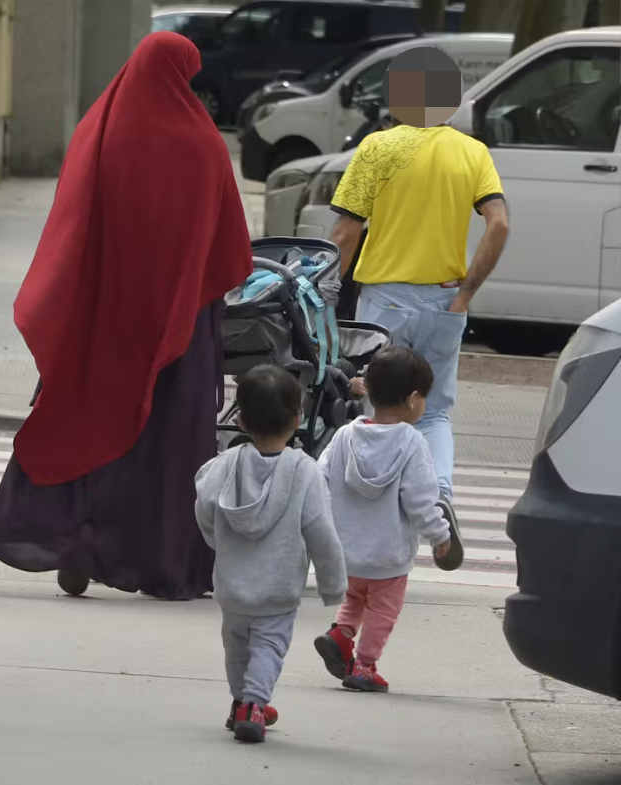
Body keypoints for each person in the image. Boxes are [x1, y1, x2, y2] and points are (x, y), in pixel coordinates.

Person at [0, 31, 253, 600]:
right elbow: (228, 246)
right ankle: (156, 561)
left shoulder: (99, 130)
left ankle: (72, 544)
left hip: (100, 310)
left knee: (84, 415)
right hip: (176, 319)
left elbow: (70, 223)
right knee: (168, 438)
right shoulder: (203, 144)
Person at [327, 47, 511, 522]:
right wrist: (466, 294)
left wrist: (327, 298)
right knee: (431, 412)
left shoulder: (376, 148)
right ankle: (440, 496)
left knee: (367, 399)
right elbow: (499, 224)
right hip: (444, 301)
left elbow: (346, 233)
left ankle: (367, 503)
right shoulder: (473, 153)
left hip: (383, 302)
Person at [195, 365, 348, 743]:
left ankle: (241, 701)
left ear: (242, 420)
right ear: (297, 419)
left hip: (232, 585)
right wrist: (333, 586)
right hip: (278, 588)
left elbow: (204, 507)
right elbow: (322, 534)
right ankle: (254, 703)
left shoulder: (223, 466)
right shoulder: (305, 473)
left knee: (237, 648)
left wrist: (218, 542)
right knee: (268, 647)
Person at [313, 346, 461, 693]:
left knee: (355, 598)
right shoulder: (412, 444)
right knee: (382, 611)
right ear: (412, 399)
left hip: (347, 552)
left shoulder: (345, 435)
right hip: (389, 557)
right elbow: (422, 501)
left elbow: (319, 481)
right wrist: (441, 536)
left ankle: (341, 634)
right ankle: (364, 665)